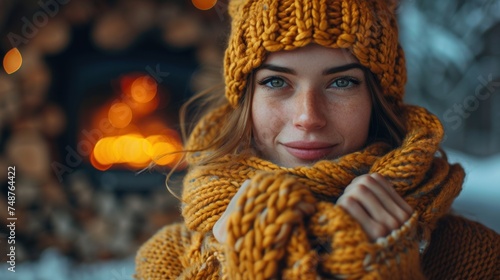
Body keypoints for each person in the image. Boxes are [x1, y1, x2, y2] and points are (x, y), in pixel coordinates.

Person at [135, 0, 500, 279]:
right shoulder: (167, 261)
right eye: (276, 82)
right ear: (246, 99)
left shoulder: (473, 257)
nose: (308, 117)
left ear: (377, 98)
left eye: (341, 82)